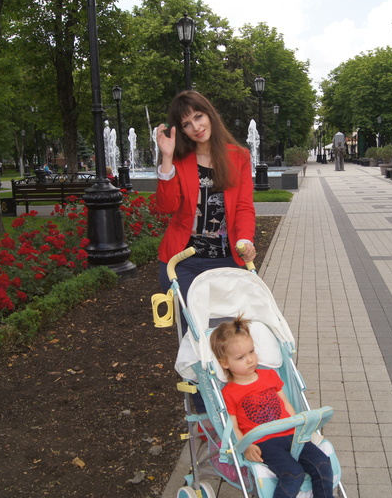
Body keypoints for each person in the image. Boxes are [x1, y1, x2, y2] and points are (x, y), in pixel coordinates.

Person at [154, 90, 257, 321]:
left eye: (198, 117)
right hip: (182, 262)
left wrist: (245, 239)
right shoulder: (178, 160)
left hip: (226, 261)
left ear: (210, 114)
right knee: (193, 332)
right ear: (182, 130)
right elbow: (166, 207)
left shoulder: (239, 156)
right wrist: (167, 157)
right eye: (186, 124)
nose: (196, 127)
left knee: (225, 332)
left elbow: (243, 207)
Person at [210, 316, 335, 498]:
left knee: (322, 464)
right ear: (224, 363)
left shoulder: (269, 376)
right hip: (264, 441)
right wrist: (245, 446)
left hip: (292, 434)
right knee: (293, 473)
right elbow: (233, 426)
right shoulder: (229, 392)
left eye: (251, 351)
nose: (250, 359)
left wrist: (299, 427)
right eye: (241, 357)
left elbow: (285, 403)